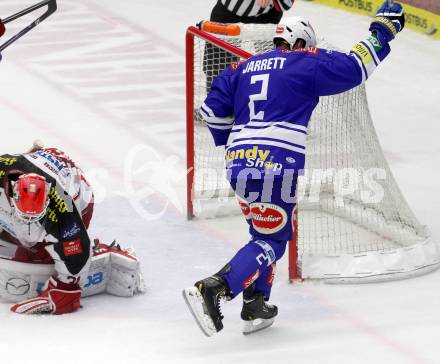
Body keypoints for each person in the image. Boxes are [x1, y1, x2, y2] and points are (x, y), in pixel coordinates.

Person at [183, 1, 405, 336]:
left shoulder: (243, 66)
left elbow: (211, 113)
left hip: (238, 162)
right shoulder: (305, 62)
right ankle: (215, 288)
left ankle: (256, 304)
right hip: (276, 164)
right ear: (300, 42)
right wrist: (383, 30)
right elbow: (356, 67)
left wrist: (246, 141)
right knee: (273, 241)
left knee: (262, 233)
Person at [0, 143, 144, 314]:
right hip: (40, 166)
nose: (29, 223)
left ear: (48, 202)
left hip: (78, 195)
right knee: (23, 240)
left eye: (35, 218)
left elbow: (76, 251)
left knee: (39, 254)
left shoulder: (63, 208)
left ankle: (105, 254)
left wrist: (66, 289)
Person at [204, 0, 295, 91]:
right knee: (217, 73)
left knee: (271, 70)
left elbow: (286, 4)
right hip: (228, 11)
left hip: (266, 14)